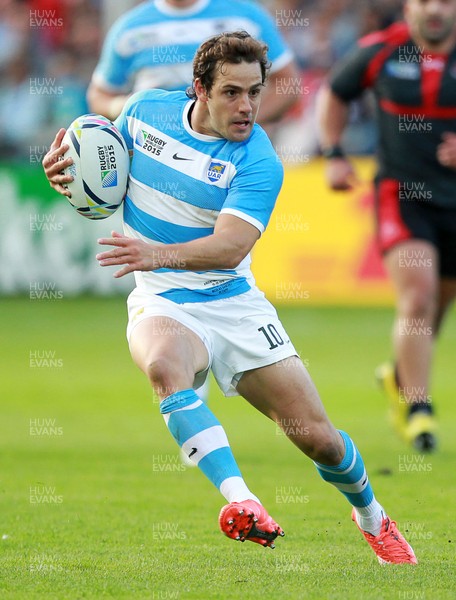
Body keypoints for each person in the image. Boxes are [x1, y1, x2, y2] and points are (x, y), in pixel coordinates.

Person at [43, 31, 416, 564]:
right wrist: (63, 172)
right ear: (199, 89)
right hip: (164, 298)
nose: (247, 107)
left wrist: (156, 253)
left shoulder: (259, 161)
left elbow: (230, 246)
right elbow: (100, 172)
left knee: (320, 441)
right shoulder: (143, 112)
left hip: (235, 305)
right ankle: (243, 502)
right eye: (232, 93)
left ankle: (373, 517)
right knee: (164, 367)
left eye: (255, 93)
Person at [318, 0, 456, 453]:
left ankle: (399, 377)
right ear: (408, 7)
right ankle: (418, 408)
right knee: (417, 296)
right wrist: (334, 154)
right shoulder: (380, 51)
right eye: (424, 0)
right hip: (402, 196)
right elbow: (335, 93)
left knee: (436, 304)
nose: (435, 9)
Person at [87, 0, 299, 128]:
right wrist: (127, 106)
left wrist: (238, 123)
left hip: (229, 158)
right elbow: (98, 95)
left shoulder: (247, 16)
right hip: (155, 158)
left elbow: (288, 85)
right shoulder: (129, 28)